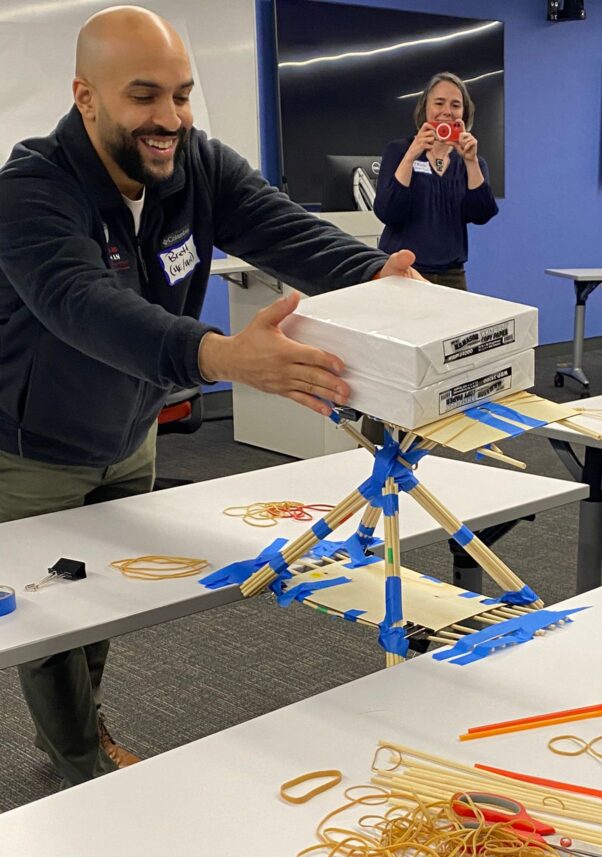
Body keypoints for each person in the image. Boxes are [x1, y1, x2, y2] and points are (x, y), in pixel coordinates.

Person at [0, 6, 419, 788]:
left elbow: (286, 232)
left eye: (183, 95)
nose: (170, 118)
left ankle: (84, 730)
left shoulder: (195, 162)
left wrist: (384, 282)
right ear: (85, 97)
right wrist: (221, 356)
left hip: (129, 431)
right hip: (31, 445)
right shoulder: (29, 192)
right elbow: (83, 304)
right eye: (145, 96)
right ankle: (78, 768)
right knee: (50, 619)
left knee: (100, 604)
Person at [373, 71, 498, 290]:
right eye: (439, 103)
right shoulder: (399, 151)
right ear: (426, 109)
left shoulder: (472, 162)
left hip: (452, 276)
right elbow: (387, 211)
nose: (447, 112)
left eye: (456, 105)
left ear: (464, 113)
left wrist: (471, 162)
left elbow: (481, 213)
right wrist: (412, 154)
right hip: (403, 271)